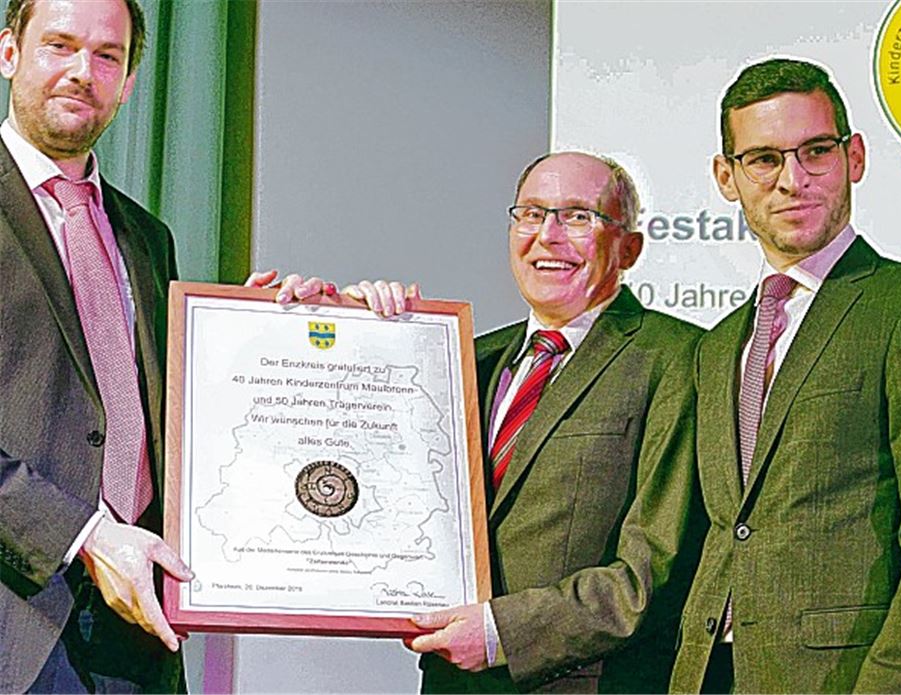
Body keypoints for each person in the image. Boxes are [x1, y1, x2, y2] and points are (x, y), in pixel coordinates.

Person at [0, 1, 314, 691]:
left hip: (136, 631)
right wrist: (84, 535)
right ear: (8, 54)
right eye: (60, 45)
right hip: (15, 623)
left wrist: (269, 335)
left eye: (107, 56)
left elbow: (166, 412)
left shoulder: (147, 237)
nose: (84, 72)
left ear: (131, 80)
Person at [667, 58, 901, 693]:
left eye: (815, 151)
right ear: (726, 177)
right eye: (764, 159)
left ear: (855, 158)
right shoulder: (716, 348)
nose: (793, 179)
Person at [345, 151, 706, 693]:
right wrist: (344, 330)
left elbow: (652, 572)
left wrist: (501, 633)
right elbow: (362, 479)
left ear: (630, 247)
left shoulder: (678, 358)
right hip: (452, 685)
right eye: (531, 214)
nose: (549, 236)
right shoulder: (467, 360)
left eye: (579, 216)